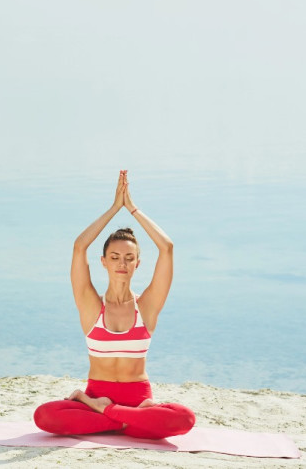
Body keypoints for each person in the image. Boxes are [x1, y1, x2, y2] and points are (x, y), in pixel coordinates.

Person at [33, 170, 196, 440]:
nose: (122, 263)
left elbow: (166, 247)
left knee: (185, 418)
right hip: (101, 397)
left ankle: (110, 415)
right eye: (115, 256)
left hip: (132, 400)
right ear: (104, 261)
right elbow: (79, 246)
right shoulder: (90, 306)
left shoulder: (146, 307)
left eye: (129, 258)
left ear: (137, 263)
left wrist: (131, 208)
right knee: (44, 415)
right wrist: (113, 208)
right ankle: (124, 421)